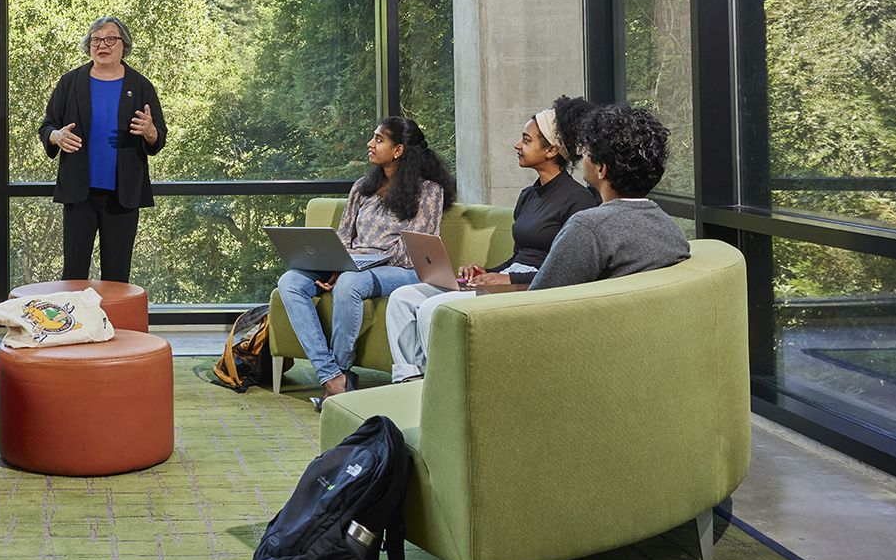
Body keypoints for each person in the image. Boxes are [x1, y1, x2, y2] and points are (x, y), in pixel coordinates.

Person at [383, 96, 600, 380]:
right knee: (402, 298)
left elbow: (567, 270)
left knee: (432, 309)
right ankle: (409, 382)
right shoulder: (528, 196)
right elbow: (519, 256)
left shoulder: (578, 201)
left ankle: (441, 389)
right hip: (509, 279)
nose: (517, 145)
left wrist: (508, 280)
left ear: (551, 150)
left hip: (532, 287)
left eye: (526, 140)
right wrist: (488, 272)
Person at [277, 116, 452, 400]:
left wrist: (355, 264)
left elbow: (410, 250)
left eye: (379, 139)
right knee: (290, 282)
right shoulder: (362, 187)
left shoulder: (429, 190)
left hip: (400, 269)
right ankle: (334, 377)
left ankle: (340, 372)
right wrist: (338, 261)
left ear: (398, 150)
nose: (370, 144)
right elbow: (344, 235)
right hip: (352, 264)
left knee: (349, 283)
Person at [37, 16, 168, 283]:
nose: (102, 45)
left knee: (117, 277)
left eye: (110, 39)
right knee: (73, 275)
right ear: (88, 46)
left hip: (123, 195)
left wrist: (150, 132)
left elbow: (159, 138)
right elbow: (47, 126)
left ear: (124, 45)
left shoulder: (141, 87)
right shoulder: (70, 83)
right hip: (78, 193)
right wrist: (56, 137)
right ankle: (75, 326)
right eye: (95, 39)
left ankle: (116, 327)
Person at [527, 103, 690, 289]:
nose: (583, 158)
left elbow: (539, 301)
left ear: (602, 169)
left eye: (586, 151)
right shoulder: (670, 229)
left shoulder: (588, 228)